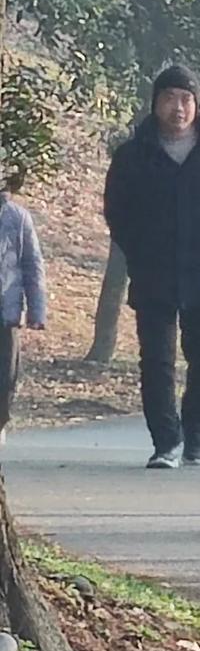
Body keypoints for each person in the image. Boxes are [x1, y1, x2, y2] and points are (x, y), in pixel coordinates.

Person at [103, 65, 200, 469]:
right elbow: (117, 210)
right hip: (154, 272)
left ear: (197, 104)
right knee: (157, 360)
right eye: (169, 98)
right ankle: (165, 441)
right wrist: (139, 251)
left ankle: (195, 436)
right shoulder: (134, 153)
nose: (178, 108)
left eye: (186, 99)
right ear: (155, 102)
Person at [0, 163, 46, 448]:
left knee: (5, 376)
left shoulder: (18, 217)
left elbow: (33, 265)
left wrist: (37, 309)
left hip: (6, 312)